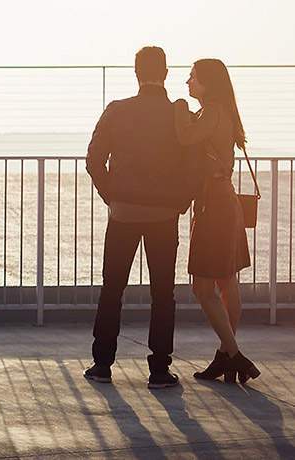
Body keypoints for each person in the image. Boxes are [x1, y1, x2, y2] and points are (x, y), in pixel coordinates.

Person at [84, 46, 195, 389]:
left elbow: (93, 159)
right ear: (166, 72)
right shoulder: (178, 113)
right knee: (163, 293)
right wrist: (180, 201)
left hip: (123, 213)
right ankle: (159, 370)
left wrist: (111, 195)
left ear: (136, 72)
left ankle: (102, 365)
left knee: (112, 289)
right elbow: (196, 165)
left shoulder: (118, 111)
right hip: (164, 214)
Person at [175, 58, 260, 383]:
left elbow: (184, 137)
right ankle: (226, 356)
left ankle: (234, 355)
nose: (187, 83)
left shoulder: (210, 112)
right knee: (227, 282)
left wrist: (179, 108)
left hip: (213, 205)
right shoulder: (222, 111)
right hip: (223, 201)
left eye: (192, 77)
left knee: (202, 286)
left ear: (208, 82)